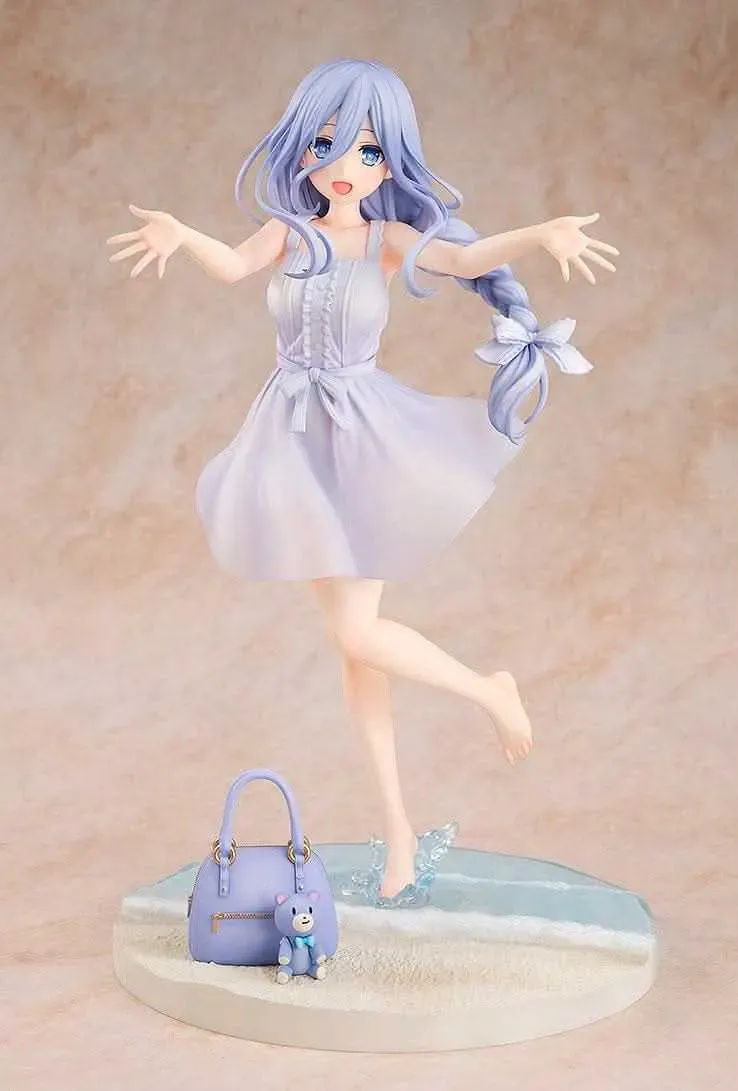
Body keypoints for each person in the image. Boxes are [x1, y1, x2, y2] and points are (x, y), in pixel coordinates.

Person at [106, 59, 618, 899]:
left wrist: (538, 234)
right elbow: (231, 265)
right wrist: (181, 235)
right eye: (327, 145)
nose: (346, 166)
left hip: (363, 440)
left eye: (368, 151)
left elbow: (464, 257)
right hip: (290, 440)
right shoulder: (290, 232)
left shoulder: (386, 241)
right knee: (356, 649)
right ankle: (399, 835)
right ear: (302, 149)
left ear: (391, 162)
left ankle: (486, 689)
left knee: (355, 636)